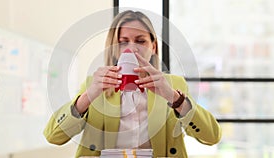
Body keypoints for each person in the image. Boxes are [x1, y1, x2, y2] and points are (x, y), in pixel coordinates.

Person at [44, 10, 221, 158]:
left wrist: (174, 98)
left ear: (153, 47)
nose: (132, 48)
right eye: (123, 42)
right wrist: (88, 96)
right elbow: (53, 136)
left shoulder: (174, 85)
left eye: (140, 40)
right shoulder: (94, 85)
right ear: (114, 48)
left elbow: (212, 136)